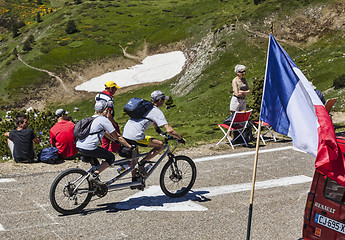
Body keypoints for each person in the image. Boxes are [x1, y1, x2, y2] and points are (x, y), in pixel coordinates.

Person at [122, 90, 185, 185]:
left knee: (134, 157)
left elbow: (151, 119)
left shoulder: (145, 107)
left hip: (126, 133)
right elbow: (169, 130)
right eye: (163, 100)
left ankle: (135, 180)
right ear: (159, 100)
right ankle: (142, 163)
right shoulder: (156, 111)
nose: (163, 102)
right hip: (136, 135)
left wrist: (157, 129)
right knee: (160, 145)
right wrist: (180, 138)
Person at [76, 100, 133, 186]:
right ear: (106, 109)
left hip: (79, 146)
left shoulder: (92, 118)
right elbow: (117, 136)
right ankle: (94, 176)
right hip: (90, 148)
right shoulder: (103, 120)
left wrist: (114, 140)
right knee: (111, 157)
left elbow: (105, 133)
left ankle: (95, 185)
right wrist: (129, 146)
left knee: (96, 165)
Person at [95, 80, 121, 153]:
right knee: (116, 135)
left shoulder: (98, 95)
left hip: (99, 118)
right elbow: (109, 115)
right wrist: (114, 123)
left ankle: (103, 153)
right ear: (110, 88)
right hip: (107, 120)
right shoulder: (109, 99)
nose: (115, 90)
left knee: (105, 139)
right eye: (115, 89)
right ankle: (112, 151)